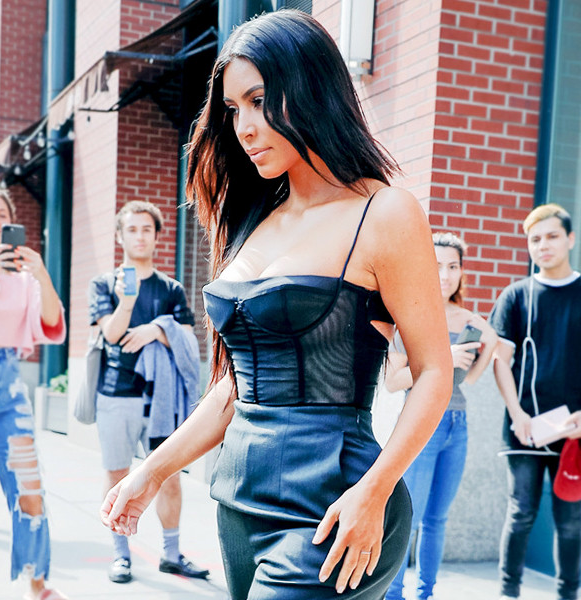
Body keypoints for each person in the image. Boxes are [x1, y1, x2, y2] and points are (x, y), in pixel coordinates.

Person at [100, 10, 454, 599]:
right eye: (233, 108)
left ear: (311, 87)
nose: (244, 127)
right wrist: (151, 471)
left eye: (259, 101)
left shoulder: (385, 213)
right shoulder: (253, 219)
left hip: (335, 505)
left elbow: (434, 371)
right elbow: (235, 388)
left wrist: (375, 491)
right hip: (239, 503)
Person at [88, 200, 208, 584]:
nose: (139, 236)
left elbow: (187, 339)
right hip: (116, 395)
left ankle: (171, 554)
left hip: (161, 399)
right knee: (117, 474)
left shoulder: (171, 289)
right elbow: (110, 335)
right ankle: (121, 555)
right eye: (132, 229)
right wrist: (126, 301)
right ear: (119, 236)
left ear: (157, 236)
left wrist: (157, 329)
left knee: (168, 475)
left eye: (146, 229)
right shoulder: (104, 284)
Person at [385, 232, 498, 600]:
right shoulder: (409, 313)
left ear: (461, 272)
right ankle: (394, 594)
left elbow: (471, 380)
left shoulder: (469, 320)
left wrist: (488, 343)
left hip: (457, 424)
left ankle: (426, 593)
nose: (446, 275)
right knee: (410, 517)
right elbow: (393, 381)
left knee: (437, 519)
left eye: (453, 266)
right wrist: (444, 356)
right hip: (421, 422)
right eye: (437, 266)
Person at [490, 203, 581, 600]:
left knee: (571, 520)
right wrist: (517, 414)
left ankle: (567, 594)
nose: (543, 245)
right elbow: (501, 361)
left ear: (570, 239)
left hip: (575, 430)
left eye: (552, 237)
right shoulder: (515, 295)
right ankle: (508, 593)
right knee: (521, 512)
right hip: (525, 426)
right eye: (535, 239)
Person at [0, 186, 68, 600]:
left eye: (2, 213)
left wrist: (42, 275)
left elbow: (51, 322)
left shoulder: (22, 279)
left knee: (29, 489)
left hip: (9, 385)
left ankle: (37, 583)